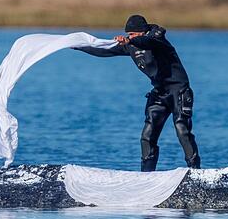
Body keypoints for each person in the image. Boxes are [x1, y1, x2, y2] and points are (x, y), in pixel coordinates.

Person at [73, 14, 200, 171]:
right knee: (147, 136)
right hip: (160, 93)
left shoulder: (156, 37)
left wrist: (130, 40)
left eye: (132, 34)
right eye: (128, 34)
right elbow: (104, 51)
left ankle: (195, 171)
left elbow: (147, 42)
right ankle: (146, 176)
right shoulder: (131, 44)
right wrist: (77, 46)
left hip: (178, 90)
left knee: (182, 129)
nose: (129, 36)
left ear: (142, 31)